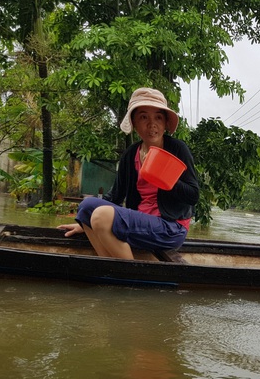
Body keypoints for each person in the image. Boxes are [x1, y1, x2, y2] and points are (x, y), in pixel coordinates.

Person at [58, 87, 199, 259]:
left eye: (158, 117)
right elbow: (114, 197)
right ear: (134, 122)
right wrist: (84, 223)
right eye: (143, 117)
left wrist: (162, 176)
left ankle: (128, 274)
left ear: (164, 123)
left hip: (170, 226)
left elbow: (193, 195)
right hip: (139, 220)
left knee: (102, 216)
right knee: (87, 207)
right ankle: (109, 264)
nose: (151, 124)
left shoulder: (177, 149)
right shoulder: (131, 154)